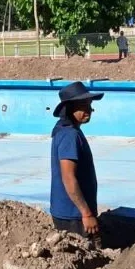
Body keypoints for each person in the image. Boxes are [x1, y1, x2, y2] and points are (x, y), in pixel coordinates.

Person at [50, 81, 103, 238]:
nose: (89, 110)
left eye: (89, 105)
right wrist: (86, 214)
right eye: (83, 105)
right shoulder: (70, 136)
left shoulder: (64, 129)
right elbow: (68, 177)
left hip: (69, 213)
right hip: (74, 217)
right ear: (70, 108)